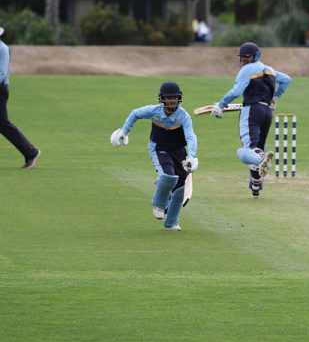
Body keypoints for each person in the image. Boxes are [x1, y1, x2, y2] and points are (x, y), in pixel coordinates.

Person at [110, 81, 198, 231]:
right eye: (168, 98)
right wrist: (124, 131)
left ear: (179, 98)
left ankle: (171, 222)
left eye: (174, 98)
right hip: (159, 148)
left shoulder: (184, 116)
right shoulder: (154, 111)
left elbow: (191, 137)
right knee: (168, 176)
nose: (171, 101)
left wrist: (191, 156)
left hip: (179, 152)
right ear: (162, 98)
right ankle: (159, 204)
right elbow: (135, 113)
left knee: (180, 188)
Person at [211, 42, 292, 197]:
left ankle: (261, 158)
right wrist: (275, 97)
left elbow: (237, 91)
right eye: (243, 57)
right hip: (267, 112)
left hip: (252, 110)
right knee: (257, 146)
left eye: (248, 56)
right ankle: (255, 184)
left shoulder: (247, 70)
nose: (245, 60)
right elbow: (287, 80)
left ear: (256, 56)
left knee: (246, 149)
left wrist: (221, 105)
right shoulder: (269, 70)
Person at [0, 26, 41, 168]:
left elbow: (1, 74)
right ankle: (30, 152)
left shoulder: (3, 49)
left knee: (3, 124)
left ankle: (31, 153)